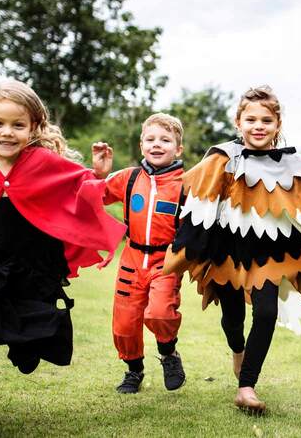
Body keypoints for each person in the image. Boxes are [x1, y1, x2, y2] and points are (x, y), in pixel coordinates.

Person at [0, 80, 125, 438]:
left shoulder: (44, 163)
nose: (7, 133)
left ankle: (25, 347)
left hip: (29, 267)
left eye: (18, 125)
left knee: (29, 339)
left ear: (34, 127)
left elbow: (82, 191)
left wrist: (98, 175)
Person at [165, 86, 301, 414]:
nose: (258, 126)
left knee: (265, 313)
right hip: (226, 252)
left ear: (277, 124)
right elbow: (183, 191)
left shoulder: (295, 164)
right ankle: (237, 350)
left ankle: (246, 386)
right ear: (238, 122)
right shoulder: (220, 159)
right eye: (251, 119)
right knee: (233, 318)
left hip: (268, 255)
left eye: (266, 120)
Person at [93, 113, 187, 394]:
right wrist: (98, 174)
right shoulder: (128, 177)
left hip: (166, 261)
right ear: (141, 145)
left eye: (165, 140)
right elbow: (93, 195)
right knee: (124, 323)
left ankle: (169, 354)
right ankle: (134, 371)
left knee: (160, 313)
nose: (157, 145)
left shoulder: (186, 184)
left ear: (178, 149)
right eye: (151, 139)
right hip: (132, 259)